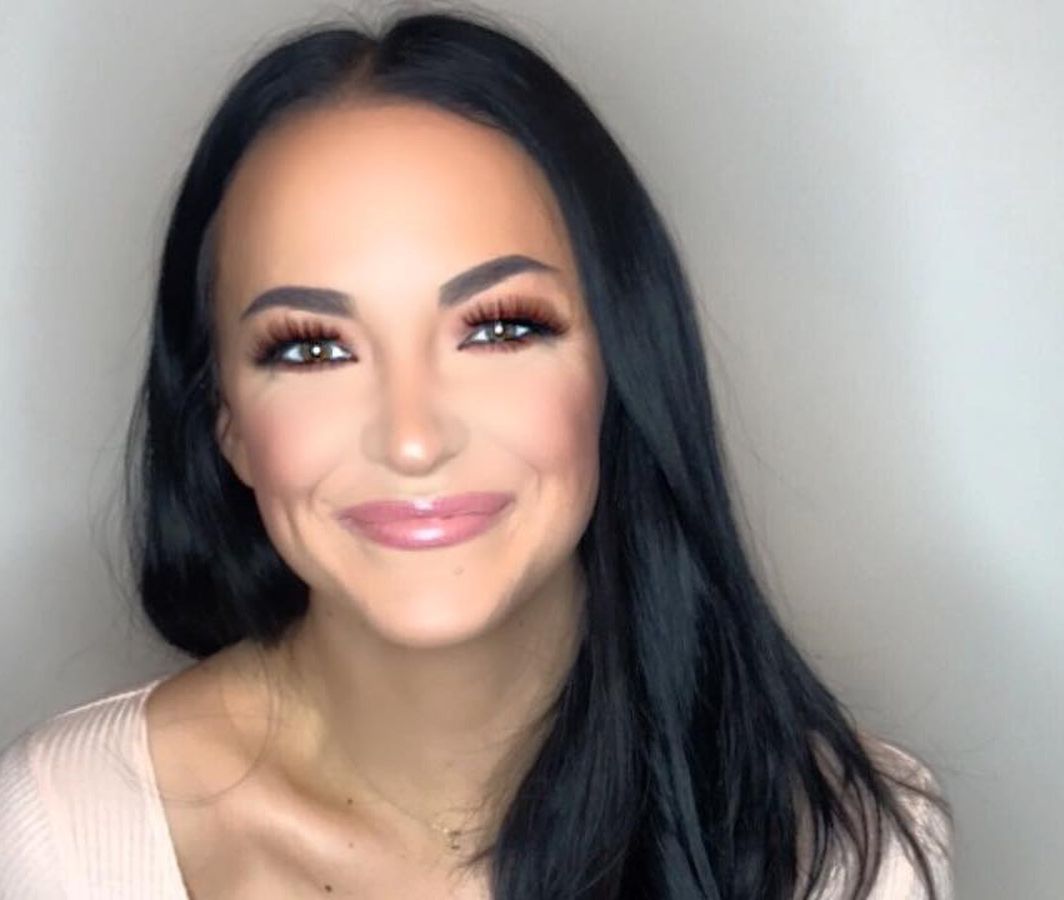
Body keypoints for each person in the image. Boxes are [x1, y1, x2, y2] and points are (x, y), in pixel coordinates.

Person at [0, 8, 953, 899]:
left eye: (499, 329)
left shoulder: (847, 845)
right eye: (313, 349)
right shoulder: (64, 834)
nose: (413, 439)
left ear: (619, 369)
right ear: (227, 423)